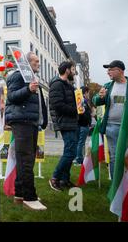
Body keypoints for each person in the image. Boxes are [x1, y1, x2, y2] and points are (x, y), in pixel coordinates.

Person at [5, 52, 48, 210]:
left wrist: (42, 121)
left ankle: (19, 193)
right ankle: (30, 197)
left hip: (30, 122)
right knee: (26, 160)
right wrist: (29, 90)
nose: (39, 64)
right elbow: (12, 96)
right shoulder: (17, 75)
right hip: (21, 122)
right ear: (27, 63)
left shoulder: (32, 77)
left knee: (25, 159)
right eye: (36, 61)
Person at [92, 60, 128, 178]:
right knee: (114, 157)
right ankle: (116, 185)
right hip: (111, 127)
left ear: (119, 70)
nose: (108, 72)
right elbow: (96, 101)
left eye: (110, 70)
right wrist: (99, 96)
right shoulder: (108, 86)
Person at [49, 61, 79, 191]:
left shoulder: (68, 86)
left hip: (72, 121)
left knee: (71, 151)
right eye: (73, 69)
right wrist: (75, 110)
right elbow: (57, 105)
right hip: (65, 121)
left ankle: (64, 179)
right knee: (70, 152)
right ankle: (55, 177)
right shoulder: (57, 84)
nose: (74, 72)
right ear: (67, 70)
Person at [74, 86, 92, 165]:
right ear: (85, 93)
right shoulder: (83, 101)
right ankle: (79, 159)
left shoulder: (80, 100)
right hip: (83, 125)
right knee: (81, 143)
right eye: (88, 93)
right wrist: (88, 121)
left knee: (79, 142)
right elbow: (83, 114)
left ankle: (79, 158)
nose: (89, 95)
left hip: (80, 124)